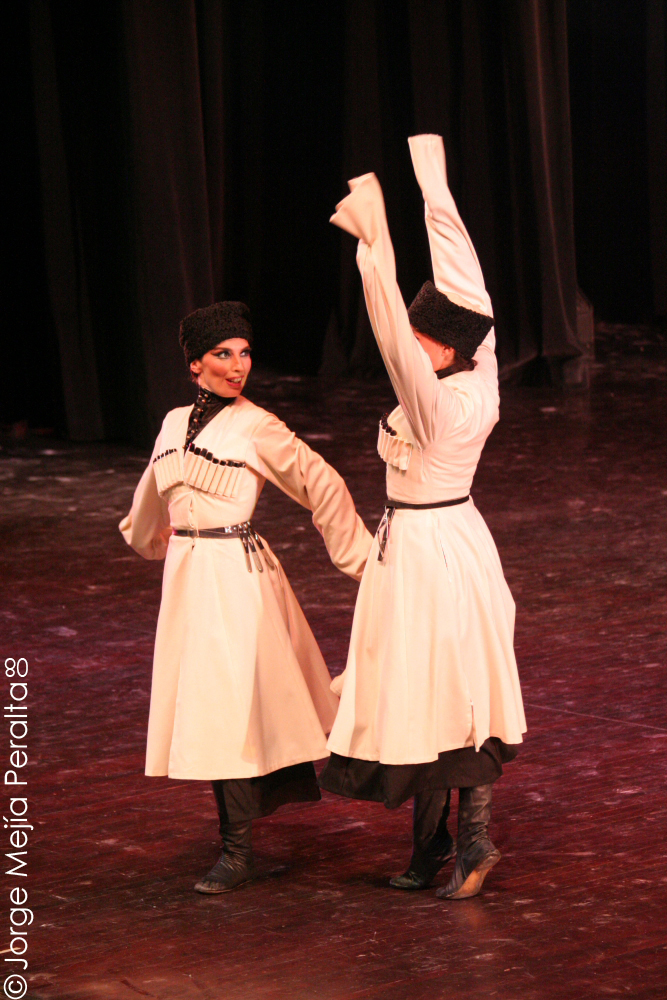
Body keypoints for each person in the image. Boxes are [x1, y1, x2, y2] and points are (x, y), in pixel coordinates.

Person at [319, 135, 526, 900]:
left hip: (435, 549)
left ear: (442, 351)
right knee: (420, 686)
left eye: (423, 338)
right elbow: (467, 283)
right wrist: (432, 184)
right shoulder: (479, 359)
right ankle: (433, 841)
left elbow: (391, 348)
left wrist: (375, 255)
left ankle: (469, 842)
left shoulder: (443, 404)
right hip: (422, 543)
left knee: (453, 688)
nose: (413, 344)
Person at [120, 301, 372, 893]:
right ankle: (236, 847)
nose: (238, 367)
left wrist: (362, 560)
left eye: (245, 353)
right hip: (190, 576)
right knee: (211, 709)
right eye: (223, 355)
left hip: (237, 575)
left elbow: (321, 482)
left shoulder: (256, 425)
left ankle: (237, 851)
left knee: (233, 706)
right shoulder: (173, 423)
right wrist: (157, 543)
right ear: (195, 365)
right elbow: (147, 506)